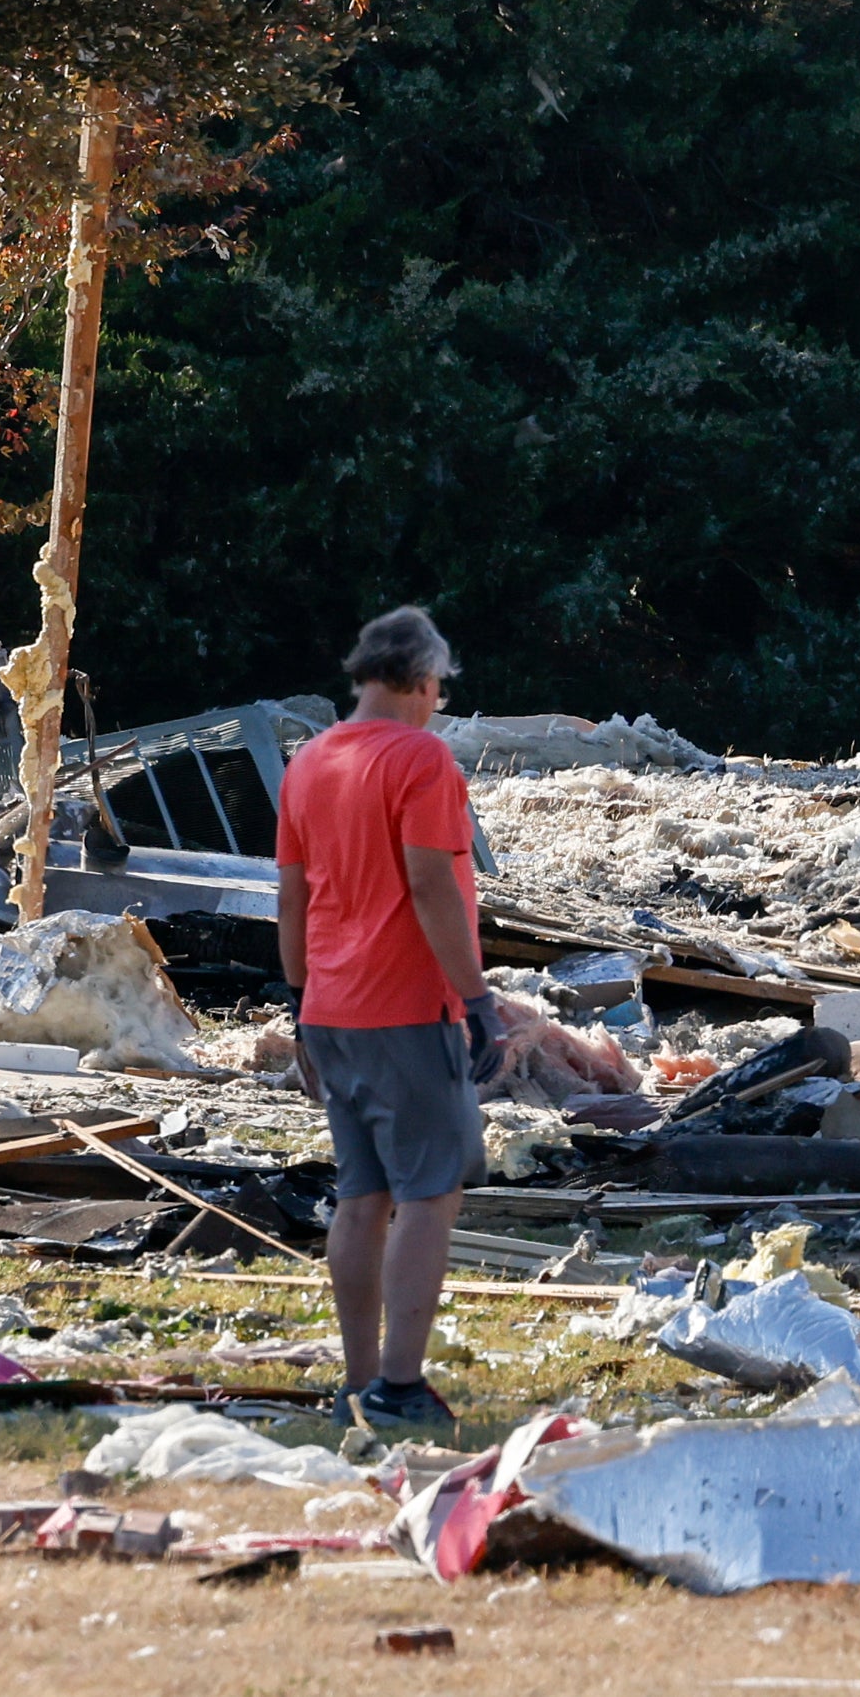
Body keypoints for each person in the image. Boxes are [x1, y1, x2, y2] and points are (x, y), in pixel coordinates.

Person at [275, 606, 505, 1429]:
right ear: (422, 680)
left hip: (330, 1008)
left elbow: (291, 896)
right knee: (431, 1194)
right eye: (439, 688)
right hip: (405, 1007)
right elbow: (430, 883)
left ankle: (359, 1385)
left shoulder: (310, 761)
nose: (438, 702)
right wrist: (477, 998)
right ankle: (401, 1390)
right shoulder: (420, 756)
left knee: (362, 1196)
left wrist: (299, 1003)